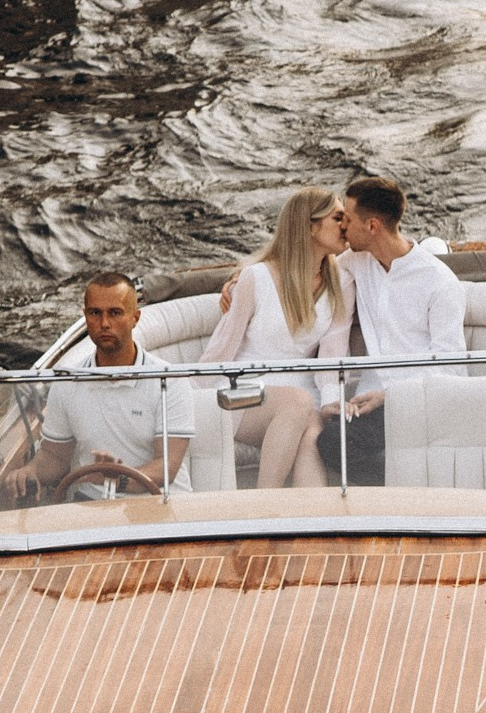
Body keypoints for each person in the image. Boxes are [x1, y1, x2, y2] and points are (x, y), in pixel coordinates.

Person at [199, 186, 355, 488]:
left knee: (313, 432)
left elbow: (333, 354)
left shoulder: (342, 282)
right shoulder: (255, 278)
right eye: (337, 218)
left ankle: (314, 516)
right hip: (244, 391)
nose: (345, 226)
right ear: (310, 226)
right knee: (296, 404)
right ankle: (263, 504)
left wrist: (332, 403)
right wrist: (189, 400)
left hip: (302, 390)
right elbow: (222, 349)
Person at [316, 174, 466, 483]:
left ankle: (398, 490)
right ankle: (394, 487)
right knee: (328, 438)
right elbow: (305, 264)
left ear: (372, 227)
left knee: (334, 442)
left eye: (348, 220)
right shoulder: (357, 261)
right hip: (368, 403)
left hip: (420, 402)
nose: (343, 228)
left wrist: (391, 396)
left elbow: (452, 369)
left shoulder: (440, 282)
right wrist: (239, 278)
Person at [31, 271, 193, 497]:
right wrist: (30, 471)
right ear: (85, 316)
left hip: (162, 504)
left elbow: (166, 467)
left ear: (135, 318)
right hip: (93, 504)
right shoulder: (67, 381)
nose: (104, 323)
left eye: (115, 313)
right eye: (95, 313)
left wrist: (116, 480)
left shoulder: (170, 380)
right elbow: (55, 456)